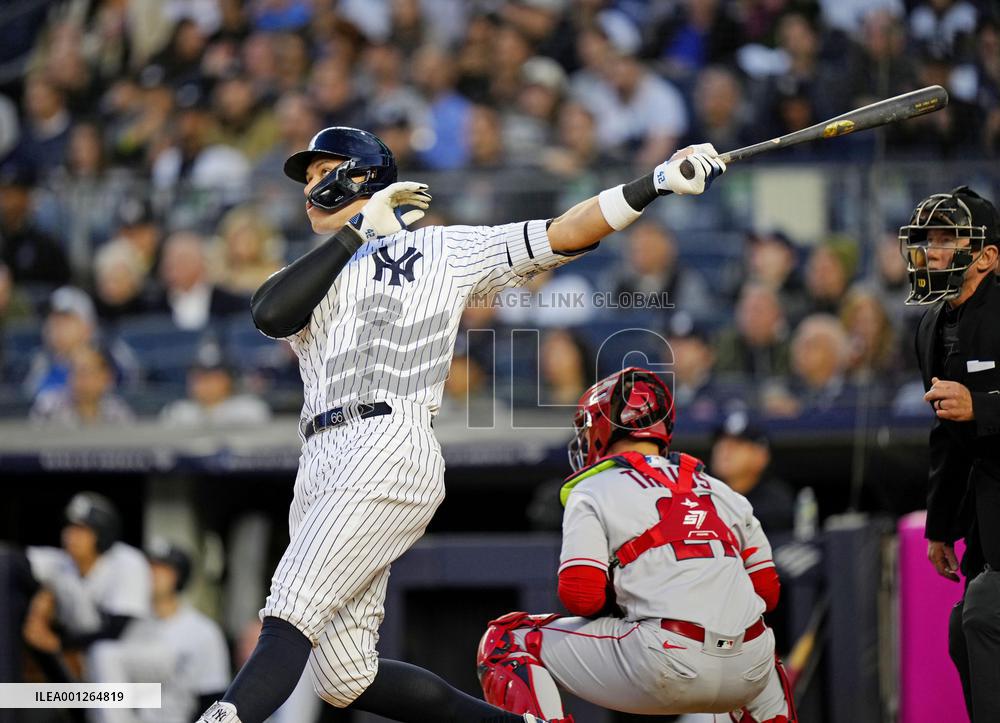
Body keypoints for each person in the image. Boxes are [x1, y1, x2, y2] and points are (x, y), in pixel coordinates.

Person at [195, 125, 727, 723]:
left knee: (289, 610)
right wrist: (358, 229)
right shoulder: (319, 266)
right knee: (343, 677)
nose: (309, 188)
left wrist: (652, 184)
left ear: (360, 176)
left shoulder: (442, 250)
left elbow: (561, 233)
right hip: (319, 456)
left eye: (323, 173)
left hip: (385, 442)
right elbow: (269, 314)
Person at [476, 367, 796, 722]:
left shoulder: (593, 489)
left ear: (602, 427)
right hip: (746, 669)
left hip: (665, 657)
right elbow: (766, 594)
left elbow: (580, 596)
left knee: (504, 640)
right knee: (762, 650)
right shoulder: (723, 491)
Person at [903, 186, 1000, 720]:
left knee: (984, 615)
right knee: (963, 632)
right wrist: (941, 524)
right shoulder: (931, 325)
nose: (931, 250)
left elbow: (970, 412)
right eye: (927, 239)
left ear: (986, 256)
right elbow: (946, 432)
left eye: (947, 239)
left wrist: (983, 406)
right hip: (987, 515)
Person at [87, 541, 230, 723]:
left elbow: (214, 698)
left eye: (163, 569)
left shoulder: (204, 631)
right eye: (149, 567)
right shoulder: (126, 626)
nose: (152, 574)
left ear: (179, 576)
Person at [710, 410, 795, 534]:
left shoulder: (776, 503)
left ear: (761, 457)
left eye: (737, 444)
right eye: (721, 441)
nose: (724, 449)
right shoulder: (699, 492)